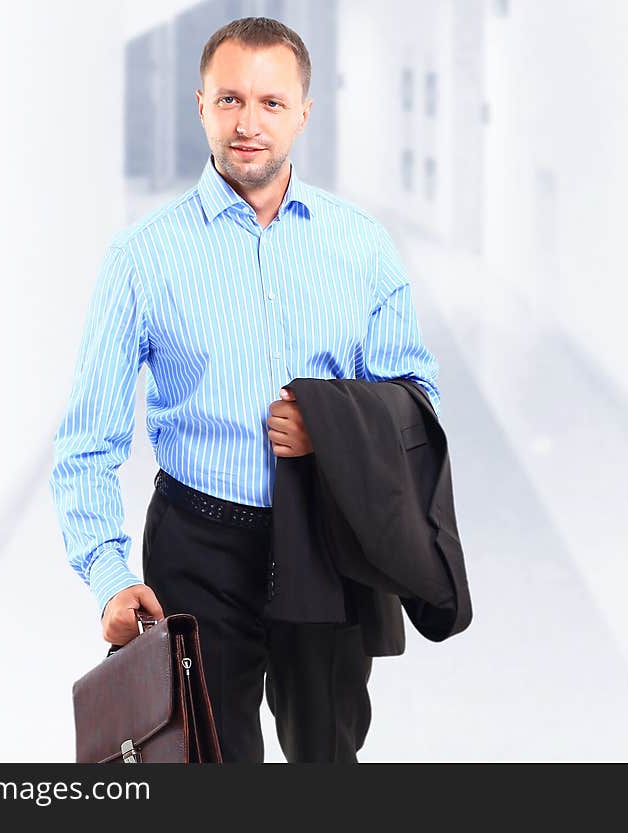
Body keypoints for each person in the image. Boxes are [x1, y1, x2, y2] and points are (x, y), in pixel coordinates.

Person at [50, 16, 440, 763]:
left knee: (326, 758)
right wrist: (108, 575)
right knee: (203, 767)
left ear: (303, 112)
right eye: (229, 99)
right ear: (200, 104)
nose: (248, 123)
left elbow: (418, 399)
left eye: (269, 102)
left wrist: (332, 425)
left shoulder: (361, 246)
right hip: (197, 550)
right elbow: (86, 442)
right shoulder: (142, 256)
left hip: (327, 542)